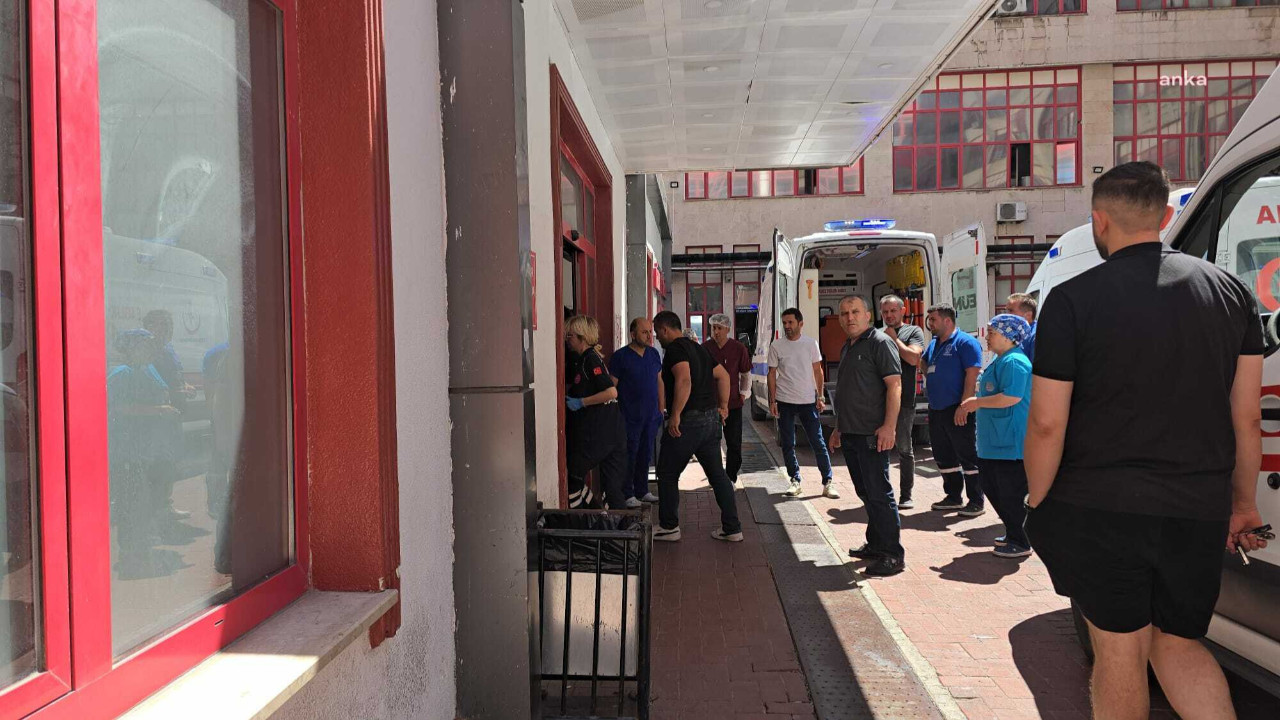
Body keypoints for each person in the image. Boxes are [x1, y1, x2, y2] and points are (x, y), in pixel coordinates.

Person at [1025, 161, 1268, 720]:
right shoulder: (1231, 293)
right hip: (1197, 507)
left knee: (1119, 649)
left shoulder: (1071, 299)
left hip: (1101, 506)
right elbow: (1248, 418)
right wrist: (1243, 505)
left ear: (1099, 220)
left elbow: (1046, 423)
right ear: (1163, 216)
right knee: (1178, 643)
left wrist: (1037, 497)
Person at [828, 296, 905, 577]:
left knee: (879, 494)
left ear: (868, 315)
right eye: (844, 313)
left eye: (855, 312)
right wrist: (838, 427)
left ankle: (892, 555)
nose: (849, 317)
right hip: (851, 433)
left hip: (872, 434)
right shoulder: (848, 346)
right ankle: (876, 544)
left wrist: (889, 427)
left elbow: (895, 385)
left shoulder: (879, 342)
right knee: (866, 493)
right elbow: (849, 391)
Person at [652, 311, 742, 543]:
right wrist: (723, 407)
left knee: (667, 473)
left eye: (657, 332)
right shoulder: (700, 349)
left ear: (664, 329)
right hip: (710, 420)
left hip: (688, 421)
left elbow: (684, 380)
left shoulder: (675, 349)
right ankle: (732, 528)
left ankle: (669, 527)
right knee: (718, 475)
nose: (657, 337)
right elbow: (723, 376)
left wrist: (675, 414)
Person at [958, 314, 1033, 559]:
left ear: (1009, 337)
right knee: (992, 486)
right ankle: (1013, 532)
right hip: (994, 441)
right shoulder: (1001, 360)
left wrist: (977, 402)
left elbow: (1012, 397)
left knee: (1010, 493)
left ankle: (1021, 540)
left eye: (992, 333)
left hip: (1009, 442)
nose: (987, 337)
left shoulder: (1014, 362)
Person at [920, 303, 985, 516]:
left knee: (967, 454)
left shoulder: (965, 342)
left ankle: (976, 501)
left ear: (947, 321)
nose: (930, 324)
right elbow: (923, 362)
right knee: (943, 454)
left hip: (957, 408)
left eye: (933, 320)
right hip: (936, 409)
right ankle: (953, 496)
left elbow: (972, 376)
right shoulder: (934, 343)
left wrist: (963, 406)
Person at [768, 308, 836, 499]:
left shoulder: (810, 344)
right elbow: (771, 374)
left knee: (817, 442)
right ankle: (795, 480)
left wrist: (820, 396)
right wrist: (773, 400)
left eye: (790, 322)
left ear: (800, 323)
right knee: (788, 443)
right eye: (785, 323)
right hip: (785, 401)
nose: (787, 326)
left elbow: (818, 371)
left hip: (807, 401)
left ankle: (828, 482)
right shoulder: (777, 345)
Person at [564, 315, 628, 509]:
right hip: (610, 431)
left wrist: (581, 402)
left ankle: (583, 519)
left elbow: (611, 392)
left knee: (573, 476)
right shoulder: (584, 360)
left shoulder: (590, 360)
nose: (567, 339)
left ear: (582, 337)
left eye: (570, 335)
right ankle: (614, 524)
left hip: (602, 433)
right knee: (612, 489)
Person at [609, 318, 664, 507]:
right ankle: (627, 493)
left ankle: (642, 490)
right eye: (644, 332)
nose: (649, 336)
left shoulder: (653, 354)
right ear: (633, 334)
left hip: (651, 415)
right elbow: (612, 386)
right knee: (629, 455)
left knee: (645, 454)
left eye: (650, 332)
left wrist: (661, 408)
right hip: (629, 416)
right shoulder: (620, 357)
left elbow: (659, 381)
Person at [879, 295, 926, 509]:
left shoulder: (913, 332)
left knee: (904, 449)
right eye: (885, 312)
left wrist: (894, 339)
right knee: (878, 449)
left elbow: (914, 359)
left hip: (904, 401)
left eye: (893, 311)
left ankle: (906, 495)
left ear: (903, 310)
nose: (889, 315)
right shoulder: (876, 334)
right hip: (878, 403)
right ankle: (882, 495)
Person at [703, 314, 752, 489]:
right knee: (711, 444)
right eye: (713, 328)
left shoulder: (738, 348)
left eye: (719, 328)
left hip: (733, 404)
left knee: (734, 443)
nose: (716, 332)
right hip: (710, 405)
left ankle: (731, 477)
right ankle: (716, 477)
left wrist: (743, 394)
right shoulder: (705, 348)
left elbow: (745, 374)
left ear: (728, 329)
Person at [1005, 293, 1038, 362]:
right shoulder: (1010, 333)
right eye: (1006, 311)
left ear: (1028, 315)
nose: (1006, 315)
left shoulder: (1036, 336)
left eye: (1011, 310)